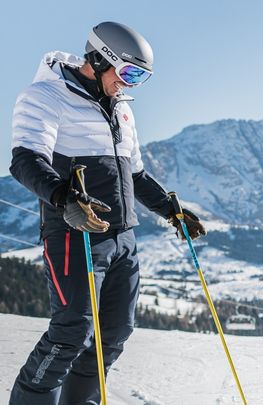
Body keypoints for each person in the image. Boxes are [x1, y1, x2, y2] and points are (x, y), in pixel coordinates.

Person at [8, 21, 206, 404]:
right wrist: (64, 198)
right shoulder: (46, 96)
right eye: (129, 73)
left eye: (141, 78)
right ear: (101, 59)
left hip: (122, 238)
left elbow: (135, 174)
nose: (131, 85)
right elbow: (25, 159)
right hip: (75, 234)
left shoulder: (122, 110)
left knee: (114, 333)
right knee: (72, 331)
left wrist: (170, 210)